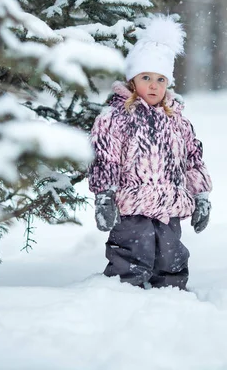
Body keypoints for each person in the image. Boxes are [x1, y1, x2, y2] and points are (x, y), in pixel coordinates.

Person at [88, 15, 212, 290]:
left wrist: (201, 196)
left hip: (169, 204)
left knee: (171, 256)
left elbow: (193, 159)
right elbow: (105, 158)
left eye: (160, 79)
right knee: (132, 254)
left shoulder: (177, 119)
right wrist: (105, 195)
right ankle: (122, 294)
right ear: (133, 80)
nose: (154, 85)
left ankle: (171, 296)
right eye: (146, 78)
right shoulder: (115, 117)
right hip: (131, 205)